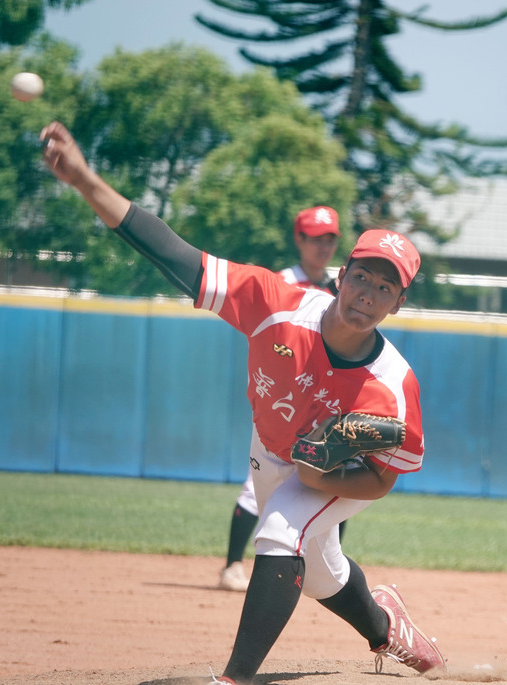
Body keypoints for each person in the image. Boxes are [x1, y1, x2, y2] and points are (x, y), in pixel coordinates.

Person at [40, 120, 446, 684]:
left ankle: (233, 679)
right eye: (363, 277)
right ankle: (387, 628)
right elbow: (173, 253)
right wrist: (85, 180)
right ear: (339, 277)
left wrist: (322, 478)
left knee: (282, 531)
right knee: (322, 570)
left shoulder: (392, 384)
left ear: (398, 304)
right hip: (270, 449)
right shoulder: (275, 303)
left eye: (385, 288)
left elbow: (381, 481)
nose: (368, 294)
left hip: (333, 476)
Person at [219, 205, 346, 593]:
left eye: (330, 239)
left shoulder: (339, 288)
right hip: (281, 396)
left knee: (336, 481)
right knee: (256, 484)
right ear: (300, 240)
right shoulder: (283, 282)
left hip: (321, 401)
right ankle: (231, 567)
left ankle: (323, 572)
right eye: (316, 238)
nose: (324, 246)